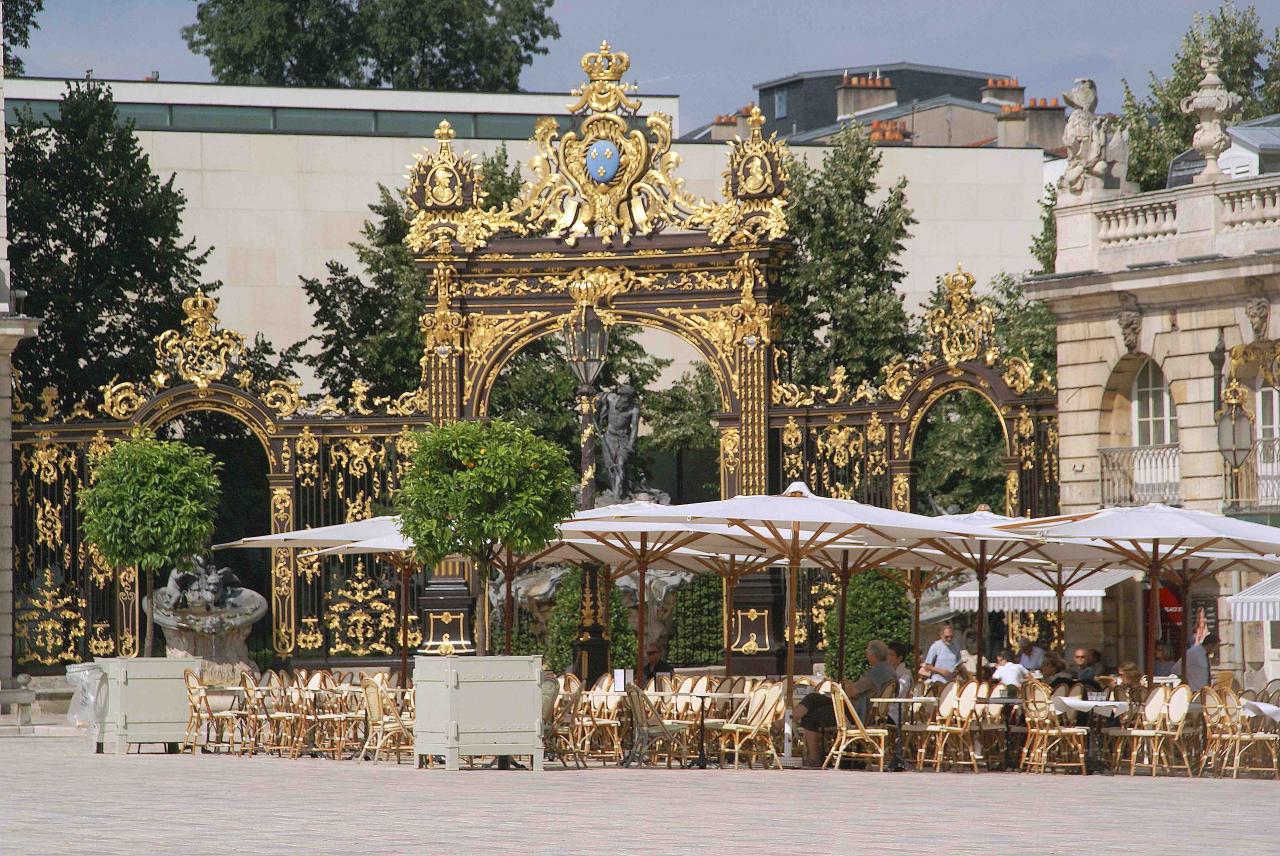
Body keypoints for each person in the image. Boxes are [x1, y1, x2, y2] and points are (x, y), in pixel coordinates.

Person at [795, 640, 895, 767]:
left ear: (873, 655)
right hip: (858, 711)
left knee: (811, 715)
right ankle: (787, 721)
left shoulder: (877, 673)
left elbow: (850, 691)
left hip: (855, 715)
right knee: (814, 698)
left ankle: (812, 755)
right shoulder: (888, 670)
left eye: (867, 653)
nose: (866, 656)